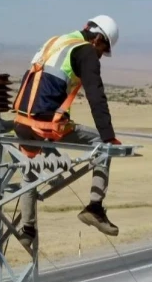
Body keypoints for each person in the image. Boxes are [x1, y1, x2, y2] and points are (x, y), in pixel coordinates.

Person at [11, 15, 121, 250]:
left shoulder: (56, 42)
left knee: (29, 169)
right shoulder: (86, 51)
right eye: (103, 50)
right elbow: (96, 95)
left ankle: (27, 230)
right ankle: (95, 207)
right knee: (101, 142)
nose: (101, 56)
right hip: (46, 125)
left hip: (22, 122)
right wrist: (109, 135)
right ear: (98, 39)